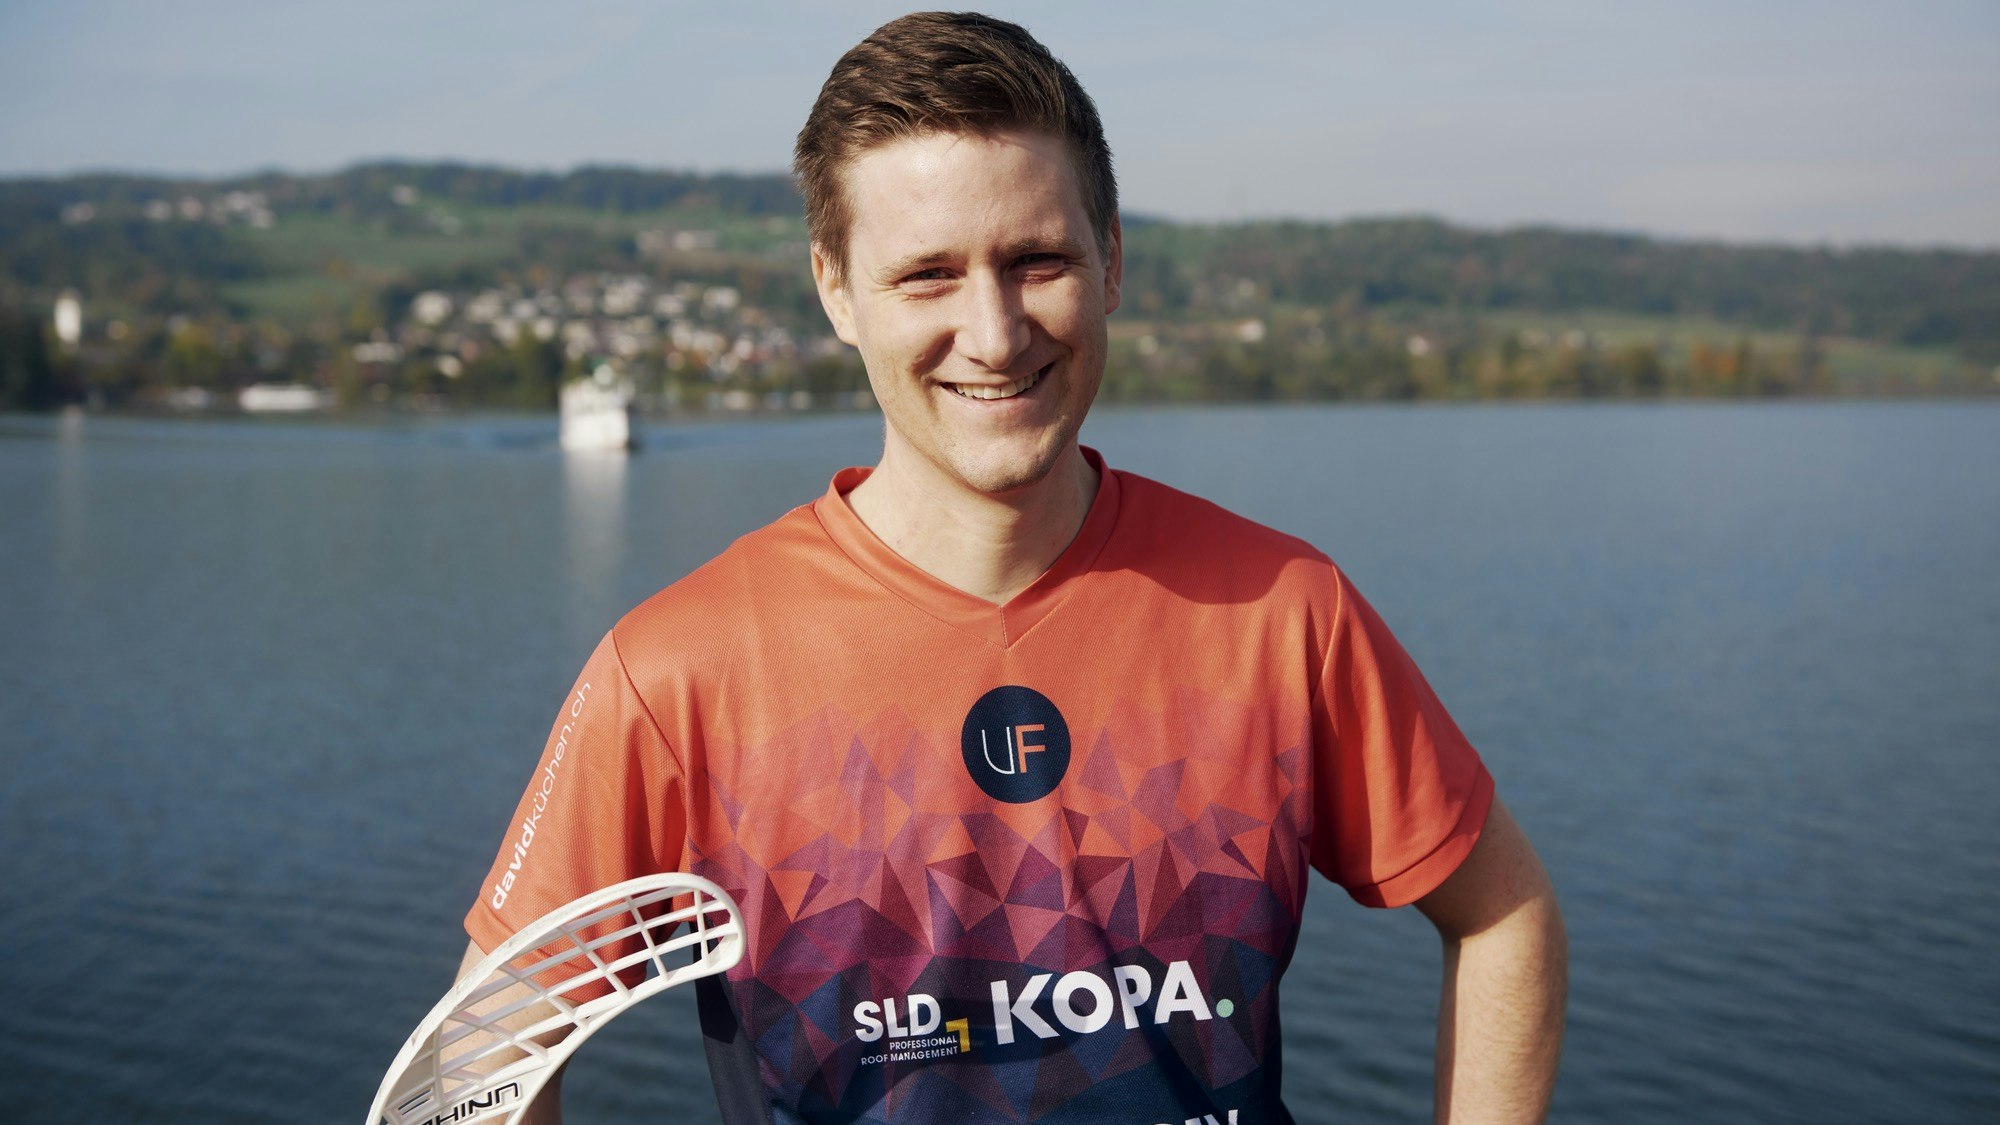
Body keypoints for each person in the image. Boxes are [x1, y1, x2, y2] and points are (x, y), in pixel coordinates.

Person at [457, 11, 1566, 1123]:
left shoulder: (1282, 611)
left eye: (1035, 261)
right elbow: (488, 1045)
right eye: (926, 276)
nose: (992, 334)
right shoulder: (680, 670)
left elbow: (1500, 913)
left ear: (1112, 260)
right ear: (835, 289)